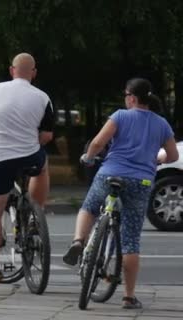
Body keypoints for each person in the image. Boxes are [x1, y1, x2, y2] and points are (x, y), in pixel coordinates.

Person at [62, 78, 179, 309]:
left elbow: (97, 143)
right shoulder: (162, 124)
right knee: (131, 240)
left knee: (90, 206)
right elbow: (173, 156)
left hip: (110, 173)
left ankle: (78, 241)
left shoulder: (119, 116)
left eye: (126, 95)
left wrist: (88, 157)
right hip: (141, 181)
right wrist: (159, 159)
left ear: (132, 98)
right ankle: (128, 296)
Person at [0, 53, 54, 291]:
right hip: (29, 156)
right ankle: (35, 214)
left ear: (12, 70)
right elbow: (46, 136)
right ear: (34, 72)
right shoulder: (43, 98)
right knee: (42, 167)